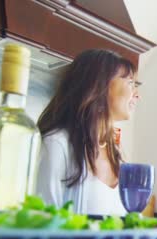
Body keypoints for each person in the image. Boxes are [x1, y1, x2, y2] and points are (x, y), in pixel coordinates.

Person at [35, 49, 140, 215]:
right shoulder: (56, 145)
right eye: (130, 83)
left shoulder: (117, 157)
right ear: (100, 86)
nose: (137, 95)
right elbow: (41, 224)